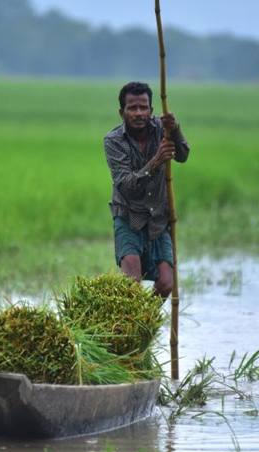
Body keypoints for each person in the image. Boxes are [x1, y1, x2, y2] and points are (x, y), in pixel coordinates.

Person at [103, 81, 190, 298]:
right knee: (131, 283)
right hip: (128, 215)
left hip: (158, 218)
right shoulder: (113, 141)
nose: (138, 113)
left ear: (151, 110)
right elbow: (126, 186)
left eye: (143, 107)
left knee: (166, 284)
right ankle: (132, 320)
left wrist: (176, 129)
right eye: (132, 108)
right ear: (122, 112)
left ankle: (144, 323)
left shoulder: (163, 130)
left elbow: (183, 155)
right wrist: (156, 161)